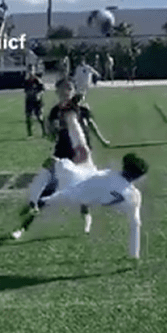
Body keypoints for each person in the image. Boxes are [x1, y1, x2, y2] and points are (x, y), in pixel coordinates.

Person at [11, 78, 110, 240]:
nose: (66, 92)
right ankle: (22, 228)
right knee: (47, 191)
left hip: (80, 156)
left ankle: (86, 217)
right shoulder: (55, 111)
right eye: (63, 89)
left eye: (69, 88)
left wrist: (103, 141)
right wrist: (52, 131)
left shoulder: (82, 108)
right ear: (57, 92)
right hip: (61, 154)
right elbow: (51, 136)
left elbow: (90, 125)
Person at [31, 153, 148, 259]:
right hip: (86, 193)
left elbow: (87, 177)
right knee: (56, 195)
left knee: (54, 193)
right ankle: (39, 201)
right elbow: (135, 224)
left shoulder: (109, 176)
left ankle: (38, 200)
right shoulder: (133, 194)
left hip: (79, 190)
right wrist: (134, 254)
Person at [23, 64, 46, 138]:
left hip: (37, 101)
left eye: (32, 70)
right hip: (29, 100)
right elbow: (25, 90)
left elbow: (43, 89)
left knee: (39, 117)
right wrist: (28, 93)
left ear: (34, 71)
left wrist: (38, 94)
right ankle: (30, 134)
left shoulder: (37, 80)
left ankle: (44, 132)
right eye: (29, 70)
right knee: (28, 117)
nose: (30, 72)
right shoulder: (27, 81)